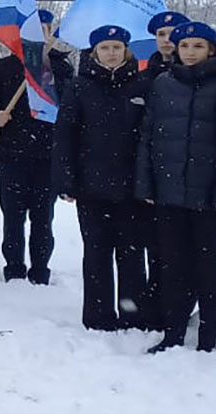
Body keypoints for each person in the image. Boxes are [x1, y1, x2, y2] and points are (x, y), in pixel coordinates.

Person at [53, 25, 151, 331]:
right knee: (96, 253)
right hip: (91, 186)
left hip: (131, 188)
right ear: (94, 52)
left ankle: (133, 316)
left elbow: (150, 139)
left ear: (126, 51)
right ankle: (98, 317)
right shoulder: (79, 87)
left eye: (117, 48)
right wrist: (66, 180)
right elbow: (65, 135)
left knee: (132, 255)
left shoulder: (142, 85)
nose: (111, 53)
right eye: (105, 48)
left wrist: (148, 182)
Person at [135, 20, 216, 354]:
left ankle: (208, 337)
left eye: (198, 46)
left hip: (209, 197)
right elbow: (147, 137)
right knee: (173, 268)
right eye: (185, 46)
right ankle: (173, 333)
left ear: (211, 49)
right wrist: (147, 184)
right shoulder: (163, 84)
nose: (191, 52)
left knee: (209, 268)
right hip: (169, 195)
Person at [0, 9, 73, 284]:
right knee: (13, 216)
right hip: (11, 155)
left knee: (43, 217)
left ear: (49, 33)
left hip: (47, 156)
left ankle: (40, 271)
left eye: (43, 29)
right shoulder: (4, 68)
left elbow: (70, 108)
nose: (36, 35)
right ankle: (14, 269)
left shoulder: (61, 69)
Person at [143, 11, 189, 80]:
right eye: (161, 34)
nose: (166, 40)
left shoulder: (195, 75)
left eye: (172, 34)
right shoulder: (143, 78)